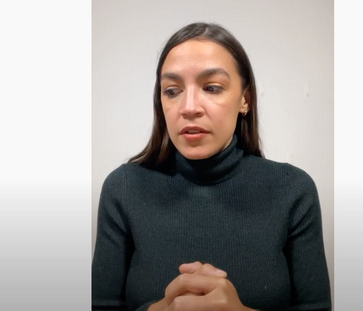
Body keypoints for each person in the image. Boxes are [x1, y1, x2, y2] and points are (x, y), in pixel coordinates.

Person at [92, 22, 331, 311]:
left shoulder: (293, 190)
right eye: (172, 91)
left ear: (245, 100)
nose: (189, 107)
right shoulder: (123, 189)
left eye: (211, 88)